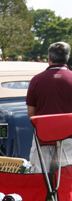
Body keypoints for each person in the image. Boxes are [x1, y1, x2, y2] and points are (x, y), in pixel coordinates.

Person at [27, 41, 72, 172]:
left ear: (49, 58)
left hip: (43, 136)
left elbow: (31, 112)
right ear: (67, 58)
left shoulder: (37, 80)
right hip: (69, 136)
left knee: (41, 176)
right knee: (67, 177)